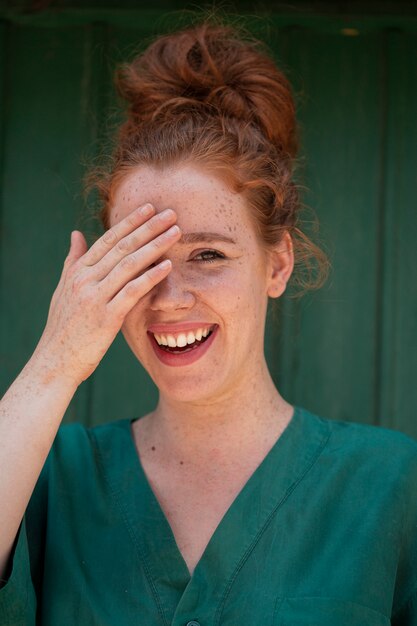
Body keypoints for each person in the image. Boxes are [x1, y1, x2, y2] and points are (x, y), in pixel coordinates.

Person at [0, 19, 416, 626]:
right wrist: (55, 363)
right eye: (140, 261)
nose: (168, 298)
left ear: (277, 265)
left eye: (208, 256)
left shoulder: (389, 485)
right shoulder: (48, 476)